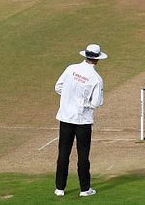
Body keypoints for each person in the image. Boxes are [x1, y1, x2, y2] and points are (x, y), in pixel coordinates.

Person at [54, 43, 106, 197]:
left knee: (63, 152)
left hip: (65, 117)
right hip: (83, 120)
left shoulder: (71, 69)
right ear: (96, 60)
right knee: (83, 155)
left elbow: (58, 87)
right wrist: (84, 103)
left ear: (85, 56)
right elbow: (96, 102)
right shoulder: (96, 78)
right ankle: (85, 189)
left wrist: (69, 98)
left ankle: (59, 188)